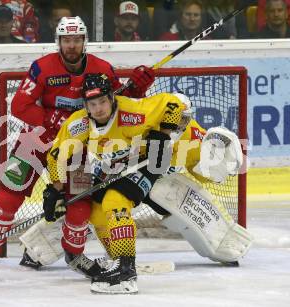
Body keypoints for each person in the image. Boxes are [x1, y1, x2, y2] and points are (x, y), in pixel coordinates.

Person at [0, 16, 155, 280]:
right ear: (58, 42)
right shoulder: (42, 68)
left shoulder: (102, 69)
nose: (72, 45)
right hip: (35, 140)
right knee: (9, 191)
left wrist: (138, 90)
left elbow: (116, 104)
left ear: (84, 42)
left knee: (79, 202)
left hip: (77, 149)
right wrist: (48, 121)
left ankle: (75, 256)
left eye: (77, 40)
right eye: (67, 40)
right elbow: (20, 105)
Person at [42, 73, 187, 294]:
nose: (98, 108)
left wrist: (163, 134)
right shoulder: (79, 123)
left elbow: (174, 103)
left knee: (115, 200)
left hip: (148, 161)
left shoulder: (133, 112)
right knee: (98, 212)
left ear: (111, 98)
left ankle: (126, 272)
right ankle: (119, 257)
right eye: (92, 103)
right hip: (114, 166)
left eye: (102, 101)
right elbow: (56, 156)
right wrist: (56, 188)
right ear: (86, 105)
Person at [158, 0, 226, 41]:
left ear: (201, 18)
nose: (192, 19)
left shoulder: (207, 41)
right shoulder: (167, 40)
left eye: (196, 15)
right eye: (188, 14)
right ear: (181, 17)